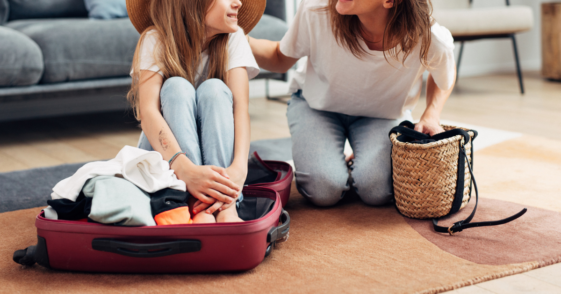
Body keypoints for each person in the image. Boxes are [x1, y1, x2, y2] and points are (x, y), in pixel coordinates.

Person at [248, 0, 455, 207]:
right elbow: (279, 58)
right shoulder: (316, 9)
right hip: (317, 107)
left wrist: (431, 113)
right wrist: (240, 39)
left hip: (381, 115)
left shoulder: (430, 37)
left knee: (377, 191)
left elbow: (444, 74)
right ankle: (341, 164)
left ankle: (362, 157)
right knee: (323, 191)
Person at [126, 0, 263, 223]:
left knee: (215, 89)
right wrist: (184, 169)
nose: (238, 2)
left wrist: (239, 169)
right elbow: (148, 112)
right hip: (169, 163)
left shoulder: (234, 37)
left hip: (221, 170)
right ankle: (191, 202)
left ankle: (222, 204)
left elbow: (240, 110)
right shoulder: (156, 38)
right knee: (176, 87)